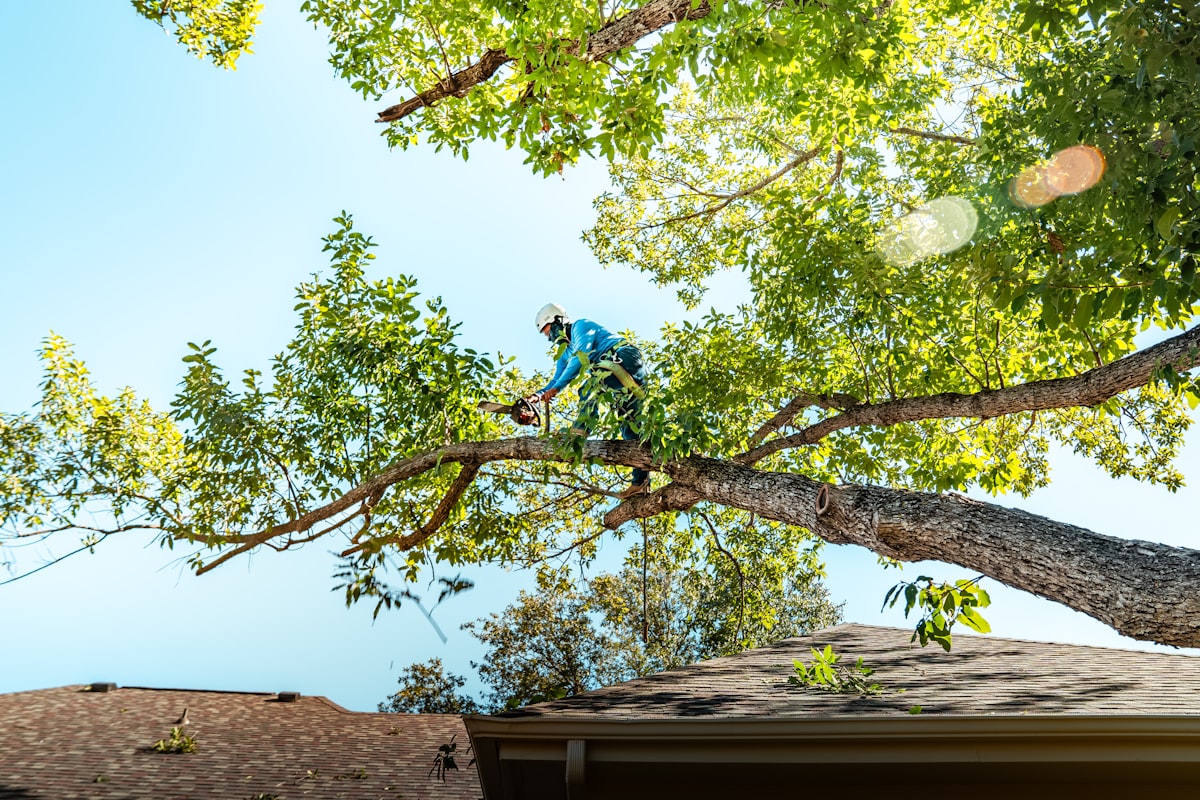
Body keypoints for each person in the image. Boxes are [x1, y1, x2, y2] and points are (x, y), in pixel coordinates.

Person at [525, 303, 650, 498]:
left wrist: (557, 388)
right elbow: (556, 379)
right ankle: (640, 482)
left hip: (623, 358)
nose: (548, 337)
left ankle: (580, 431)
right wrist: (538, 396)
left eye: (546, 330)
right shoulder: (564, 352)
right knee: (630, 429)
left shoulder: (580, 327)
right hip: (616, 380)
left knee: (588, 388)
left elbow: (580, 357)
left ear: (556, 320)